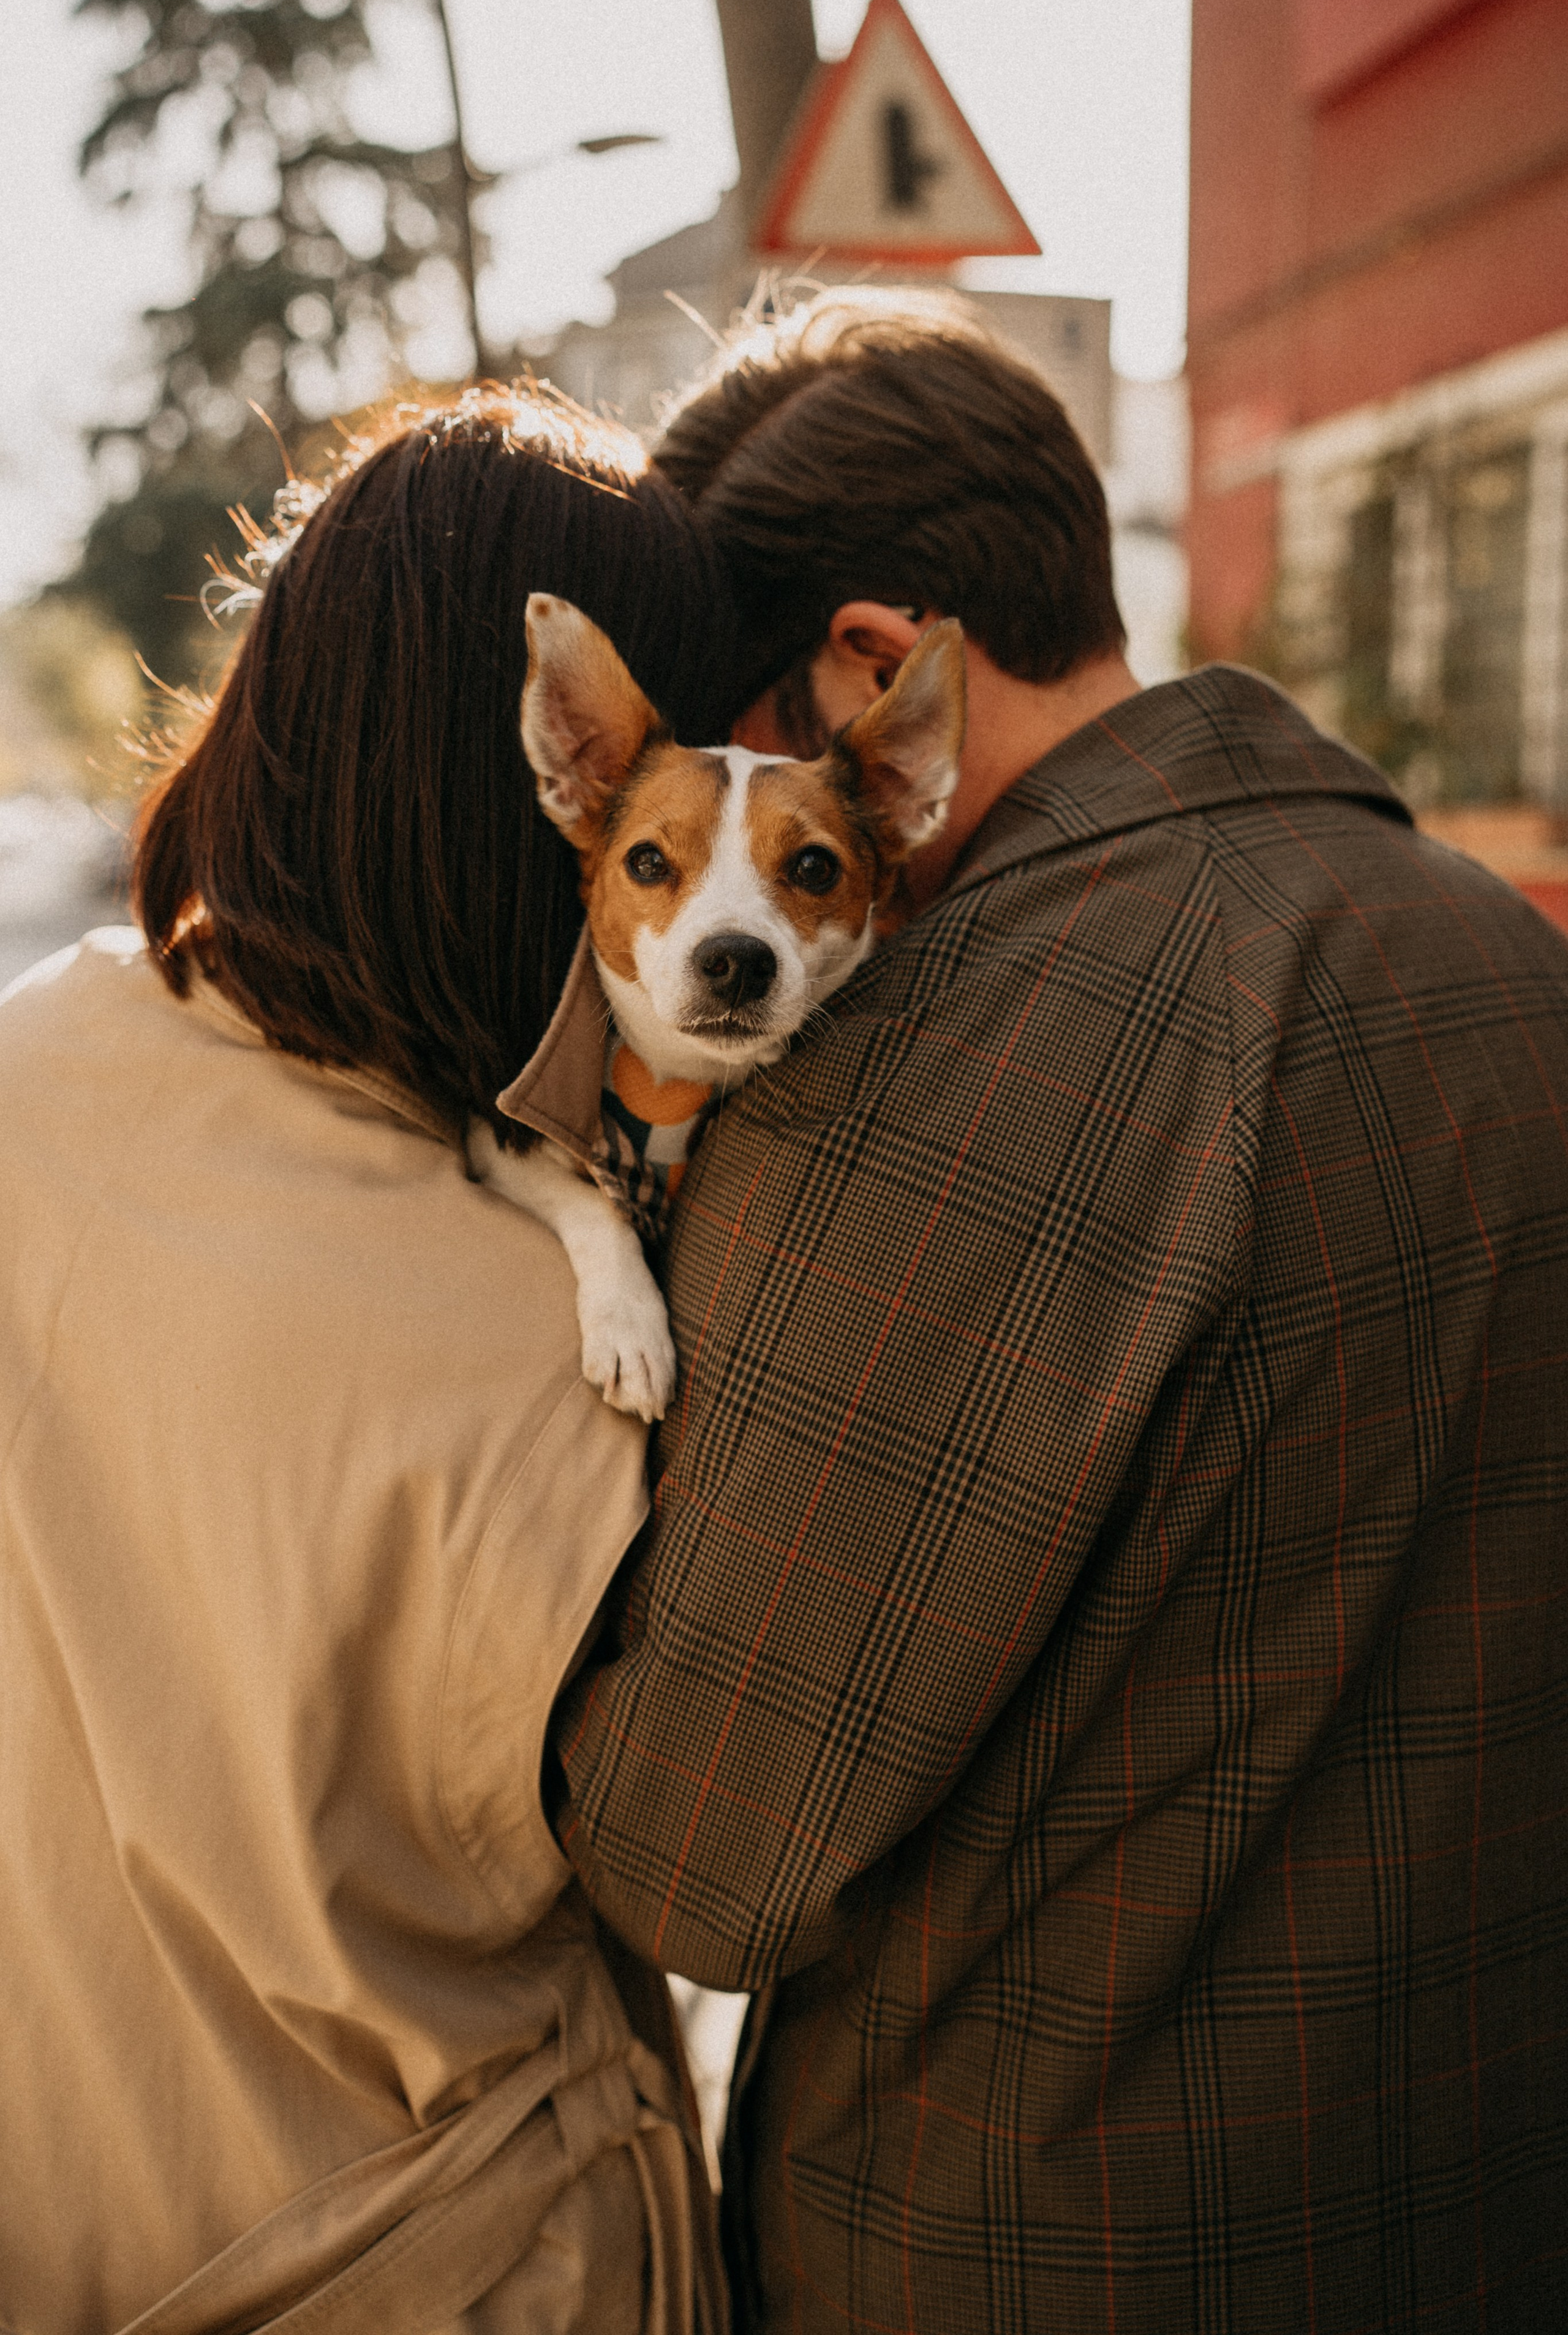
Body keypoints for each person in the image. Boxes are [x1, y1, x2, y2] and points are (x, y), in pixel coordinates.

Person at [543, 296, 1568, 2331]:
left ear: (865, 663)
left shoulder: (932, 1082)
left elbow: (699, 1859)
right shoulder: (1494, 955)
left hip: (1041, 2246)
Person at [0, 388, 735, 2333]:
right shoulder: (559, 1344)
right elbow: (718, 1872)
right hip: (452, 2264)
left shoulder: (24, 1067)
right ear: (553, 816)